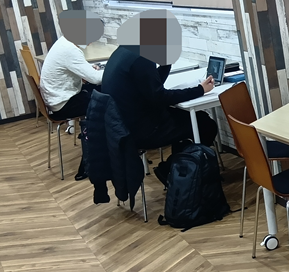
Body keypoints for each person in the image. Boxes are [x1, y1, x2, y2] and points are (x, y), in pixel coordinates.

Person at [100, 10, 218, 157]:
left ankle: (182, 161)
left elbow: (150, 88)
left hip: (121, 124)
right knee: (205, 123)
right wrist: (200, 90)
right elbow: (159, 96)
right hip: (141, 129)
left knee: (188, 118)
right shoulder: (142, 57)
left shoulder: (126, 49)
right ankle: (188, 165)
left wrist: (166, 64)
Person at [39, 11, 106, 180]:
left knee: (100, 94)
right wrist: (112, 69)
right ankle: (89, 163)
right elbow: (96, 78)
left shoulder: (64, 42)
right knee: (105, 103)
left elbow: (78, 71)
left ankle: (92, 149)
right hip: (63, 104)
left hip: (57, 99)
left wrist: (88, 71)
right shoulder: (70, 50)